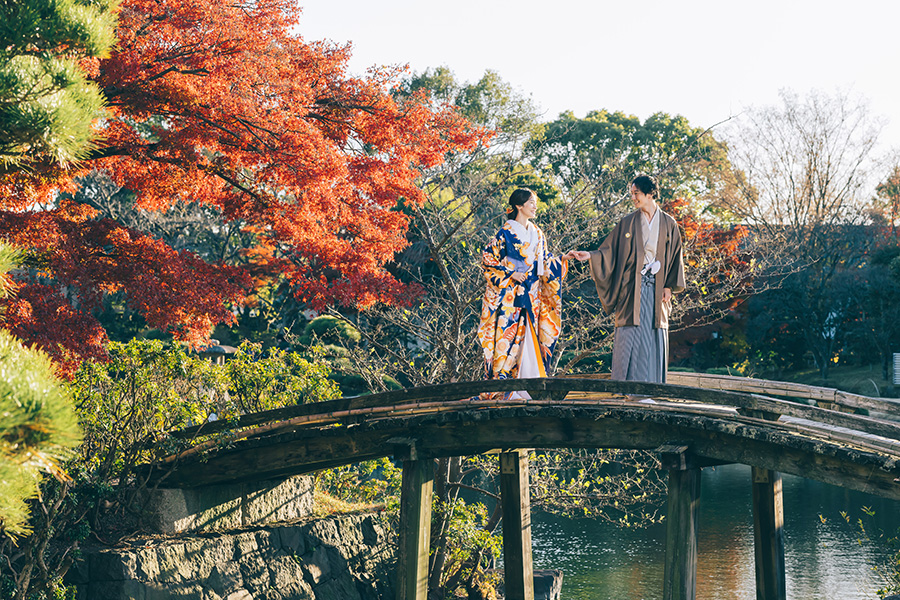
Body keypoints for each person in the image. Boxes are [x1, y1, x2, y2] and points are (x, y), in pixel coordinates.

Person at [570, 175, 685, 383]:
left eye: (636, 193)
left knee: (653, 333)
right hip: (632, 288)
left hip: (657, 288)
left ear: (650, 194)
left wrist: (669, 285)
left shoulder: (669, 223)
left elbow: (676, 255)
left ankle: (652, 388)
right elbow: (609, 251)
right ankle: (626, 388)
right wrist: (590, 255)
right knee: (630, 333)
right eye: (631, 193)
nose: (633, 197)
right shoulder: (628, 222)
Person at [478, 188, 572, 393]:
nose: (534, 206)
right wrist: (510, 273)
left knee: (531, 336)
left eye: (535, 202)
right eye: (531, 202)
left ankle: (528, 387)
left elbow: (544, 261)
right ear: (519, 206)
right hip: (510, 296)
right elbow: (488, 258)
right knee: (509, 338)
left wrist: (563, 259)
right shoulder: (505, 233)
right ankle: (504, 387)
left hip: (532, 293)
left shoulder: (538, 232)